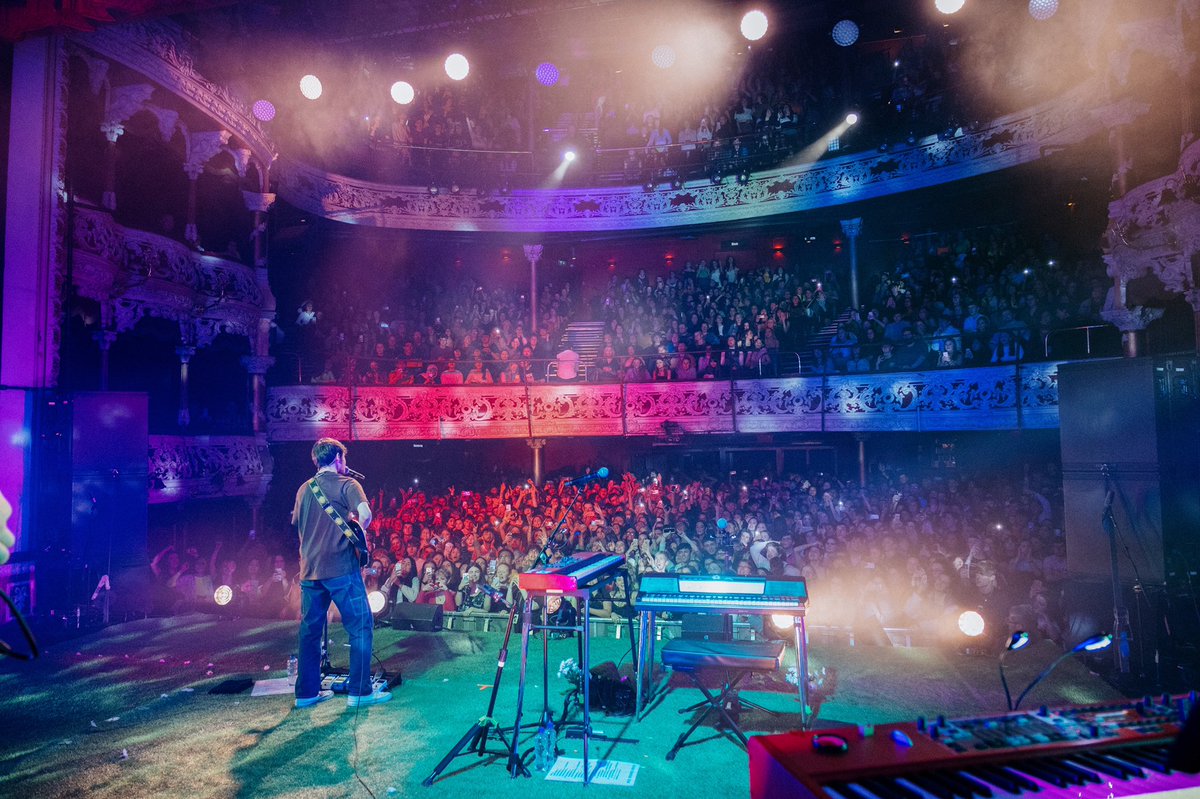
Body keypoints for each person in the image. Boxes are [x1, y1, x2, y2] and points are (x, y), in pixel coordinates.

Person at [291, 437, 391, 709]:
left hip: (310, 571)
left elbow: (297, 523)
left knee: (310, 631)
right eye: (344, 459)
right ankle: (359, 692)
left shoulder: (304, 489)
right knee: (360, 626)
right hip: (341, 569)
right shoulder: (348, 484)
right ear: (338, 458)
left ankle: (306, 694)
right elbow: (366, 515)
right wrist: (356, 525)